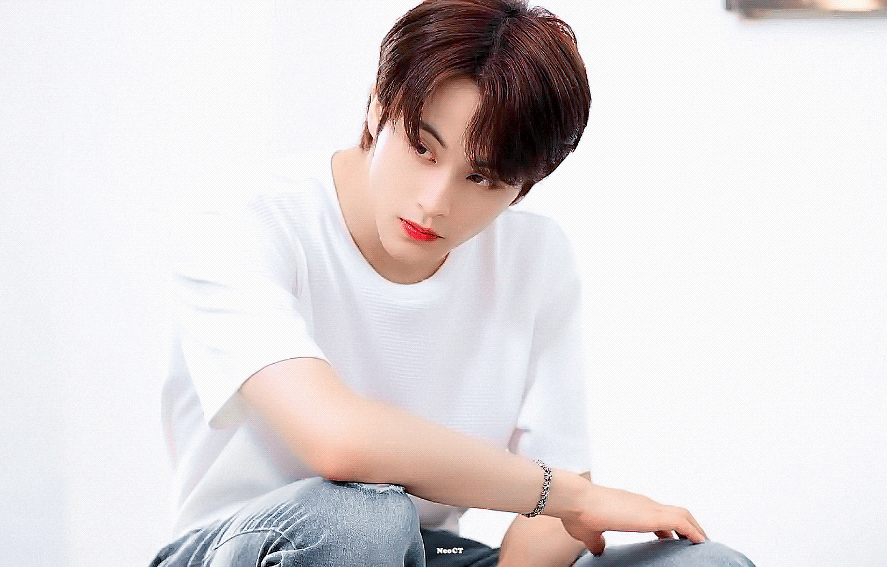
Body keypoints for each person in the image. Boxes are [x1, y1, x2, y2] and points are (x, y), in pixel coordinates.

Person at [151, 1, 755, 566]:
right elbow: (338, 441)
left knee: (709, 564)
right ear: (377, 106)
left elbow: (556, 514)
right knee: (363, 519)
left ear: (524, 186)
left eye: (482, 178)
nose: (435, 201)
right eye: (422, 148)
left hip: (426, 553)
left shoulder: (535, 258)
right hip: (244, 546)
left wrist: (566, 500)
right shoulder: (245, 228)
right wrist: (572, 496)